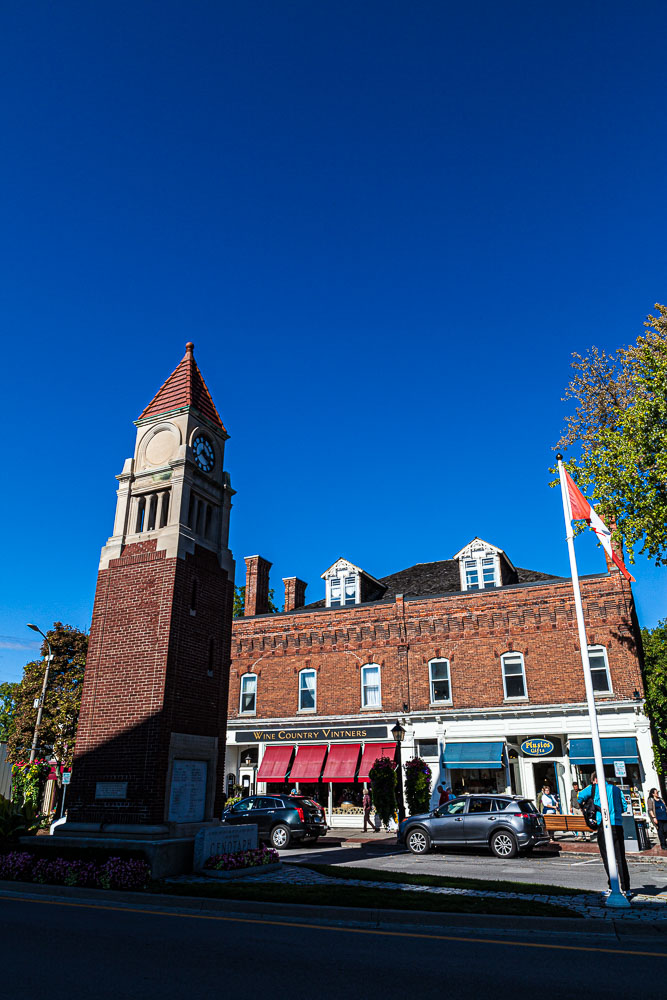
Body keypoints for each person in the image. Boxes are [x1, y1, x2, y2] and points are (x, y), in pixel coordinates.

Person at [579, 772, 630, 894]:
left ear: (595, 779)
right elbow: (624, 806)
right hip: (617, 824)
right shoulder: (616, 789)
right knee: (620, 857)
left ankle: (612, 886)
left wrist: (588, 807)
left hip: (604, 824)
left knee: (607, 857)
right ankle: (626, 888)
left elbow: (579, 797)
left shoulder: (594, 788)